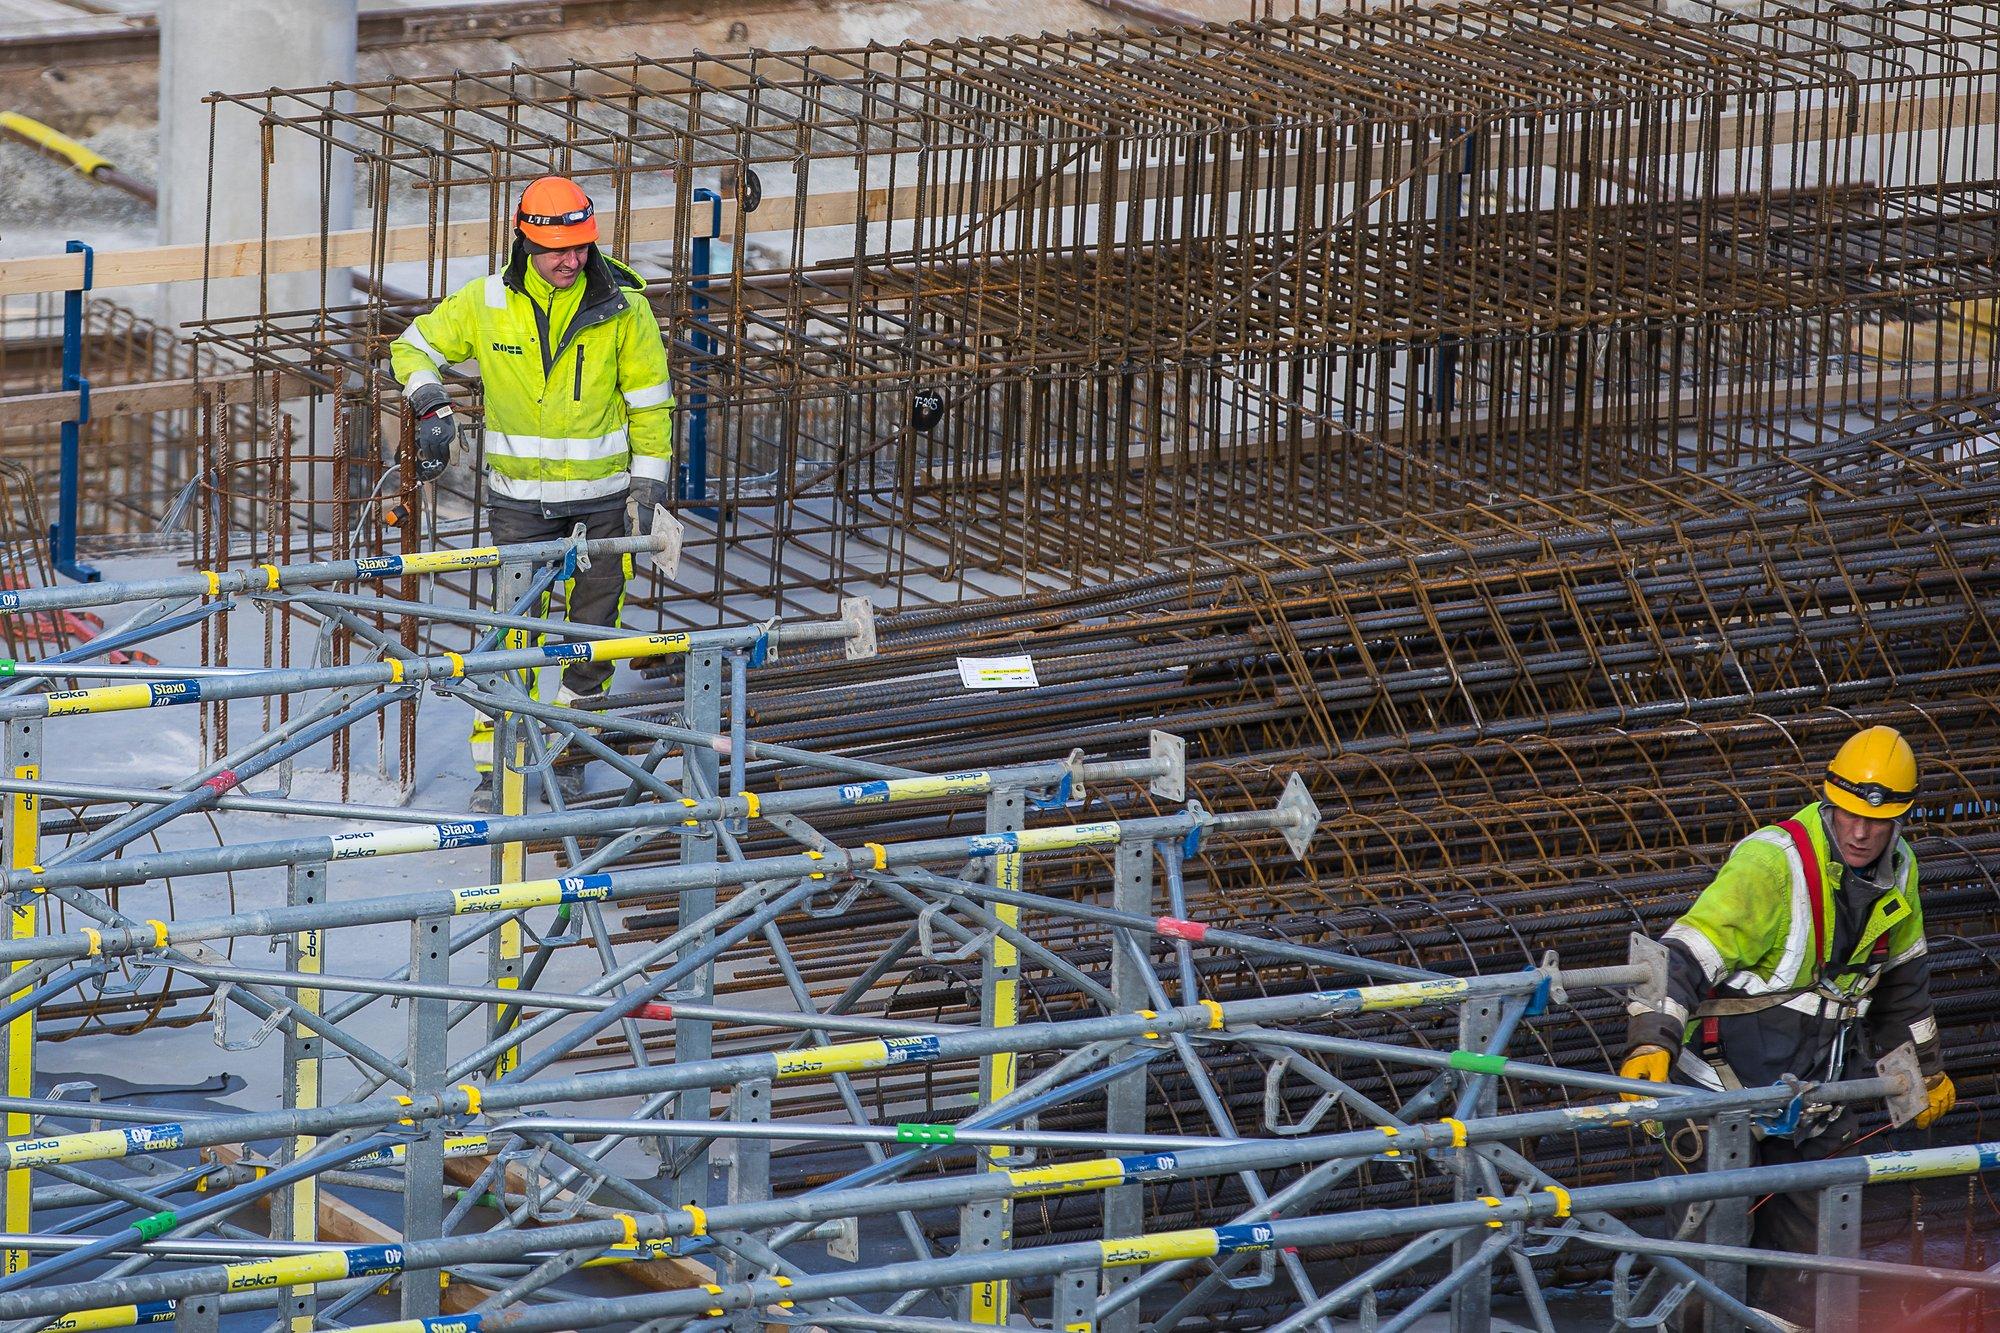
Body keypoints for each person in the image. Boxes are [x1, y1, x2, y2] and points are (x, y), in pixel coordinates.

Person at [1619, 724, 1954, 1327]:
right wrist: (1650, 1042)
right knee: (1707, 1274)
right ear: (1828, 801)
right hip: (1721, 1100)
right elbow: (1681, 959)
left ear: (1902, 818)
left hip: (1817, 1104)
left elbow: (1904, 985)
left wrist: (1924, 1070)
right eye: (1848, 814)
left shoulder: (1900, 870)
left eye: (1877, 822)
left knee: (1802, 1276)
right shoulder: (1772, 866)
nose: (1860, 832)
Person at [387, 175, 674, 801]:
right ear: (526, 242)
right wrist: (430, 400)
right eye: (556, 250)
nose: (571, 261)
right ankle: (500, 767)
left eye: (581, 248)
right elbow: (409, 348)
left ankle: (569, 754)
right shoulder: (487, 302)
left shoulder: (624, 306)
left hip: (604, 501)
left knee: (594, 636)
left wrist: (648, 488)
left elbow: (651, 403)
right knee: (510, 633)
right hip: (520, 505)